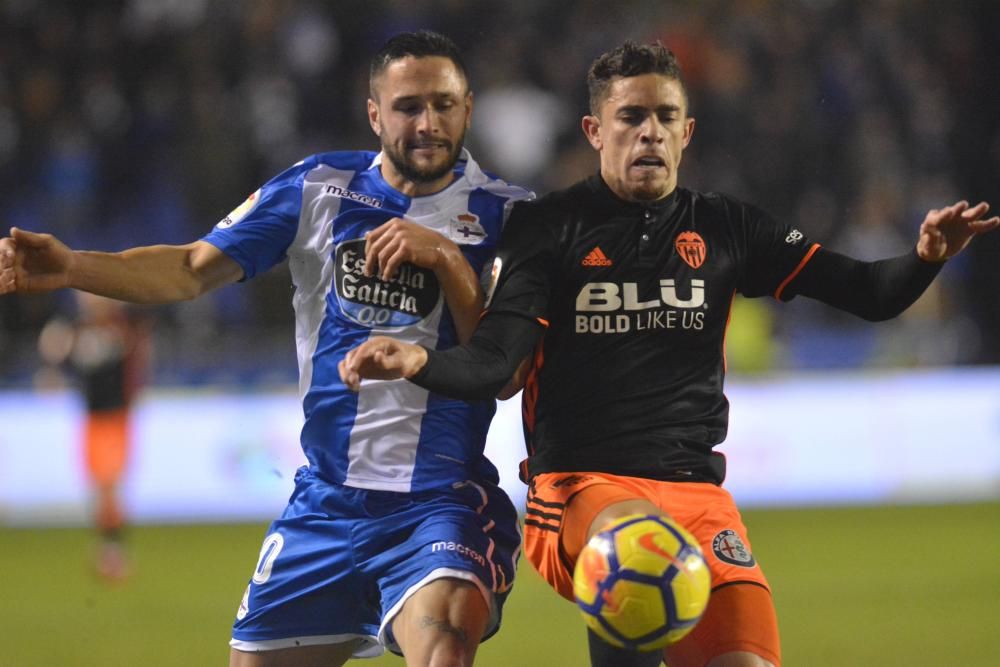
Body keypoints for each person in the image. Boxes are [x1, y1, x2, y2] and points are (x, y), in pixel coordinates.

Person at [338, 41, 1000, 667]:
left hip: (698, 497)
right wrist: (418, 361)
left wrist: (923, 259)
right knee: (636, 545)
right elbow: (496, 359)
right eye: (630, 116)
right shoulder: (550, 228)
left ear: (687, 133)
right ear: (595, 130)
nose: (649, 131)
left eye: (665, 117)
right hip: (580, 491)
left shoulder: (727, 227)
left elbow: (865, 291)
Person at [1, 30, 532, 667]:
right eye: (408, 106)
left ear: (468, 108)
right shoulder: (319, 189)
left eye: (444, 104)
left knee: (443, 646)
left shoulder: (510, 216)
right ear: (374, 113)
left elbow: (503, 369)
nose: (428, 122)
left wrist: (446, 258)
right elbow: (191, 268)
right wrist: (72, 268)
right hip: (325, 502)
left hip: (439, 502)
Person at [36, 291, 150, 581]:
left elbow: (138, 361)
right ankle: (108, 548)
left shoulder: (122, 326)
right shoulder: (76, 328)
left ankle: (113, 551)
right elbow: (57, 357)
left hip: (115, 415)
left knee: (109, 483)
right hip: (91, 416)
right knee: (100, 486)